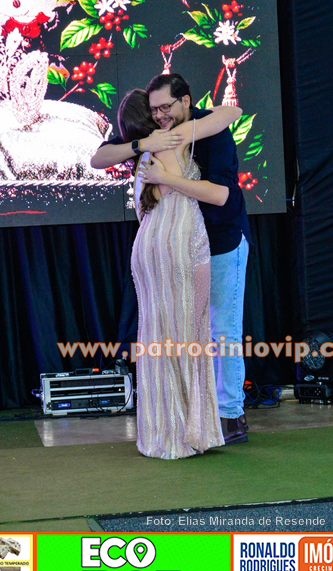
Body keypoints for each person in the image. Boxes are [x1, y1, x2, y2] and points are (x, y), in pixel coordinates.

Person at [91, 73, 251, 444]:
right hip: (174, 249)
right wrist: (144, 143)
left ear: (185, 101)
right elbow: (99, 157)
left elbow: (222, 193)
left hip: (220, 241)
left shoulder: (207, 129)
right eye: (154, 110)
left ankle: (229, 415)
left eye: (166, 107)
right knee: (178, 332)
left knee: (219, 329)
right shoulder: (152, 138)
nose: (161, 115)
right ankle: (187, 416)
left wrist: (166, 173)